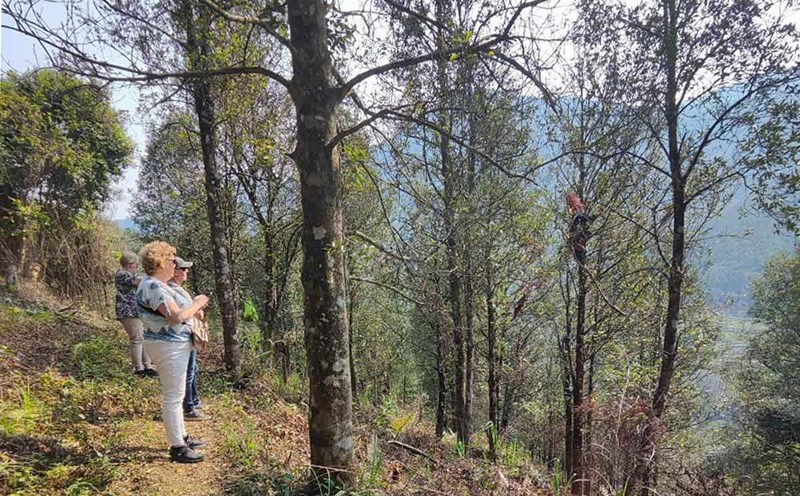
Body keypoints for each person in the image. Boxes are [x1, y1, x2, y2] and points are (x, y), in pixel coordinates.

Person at [137, 241, 209, 463]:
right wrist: (197, 304)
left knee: (176, 396)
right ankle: (177, 447)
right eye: (171, 260)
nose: (174, 264)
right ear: (159, 262)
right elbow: (175, 316)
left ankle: (182, 437)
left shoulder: (156, 284)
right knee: (173, 397)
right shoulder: (154, 286)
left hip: (172, 344)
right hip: (168, 345)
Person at [168, 256, 207, 421]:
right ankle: (188, 407)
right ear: (175, 272)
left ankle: (193, 400)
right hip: (181, 336)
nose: (187, 272)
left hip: (187, 335)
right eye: (184, 269)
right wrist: (197, 304)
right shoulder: (171, 290)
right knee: (188, 372)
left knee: (193, 369)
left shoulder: (178, 289)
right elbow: (181, 314)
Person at [114, 252, 156, 377]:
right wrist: (154, 277)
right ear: (130, 263)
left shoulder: (129, 274)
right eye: (135, 263)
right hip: (128, 312)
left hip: (135, 312)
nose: (137, 265)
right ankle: (139, 369)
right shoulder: (121, 274)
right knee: (137, 339)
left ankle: (147, 366)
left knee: (143, 338)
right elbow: (138, 282)